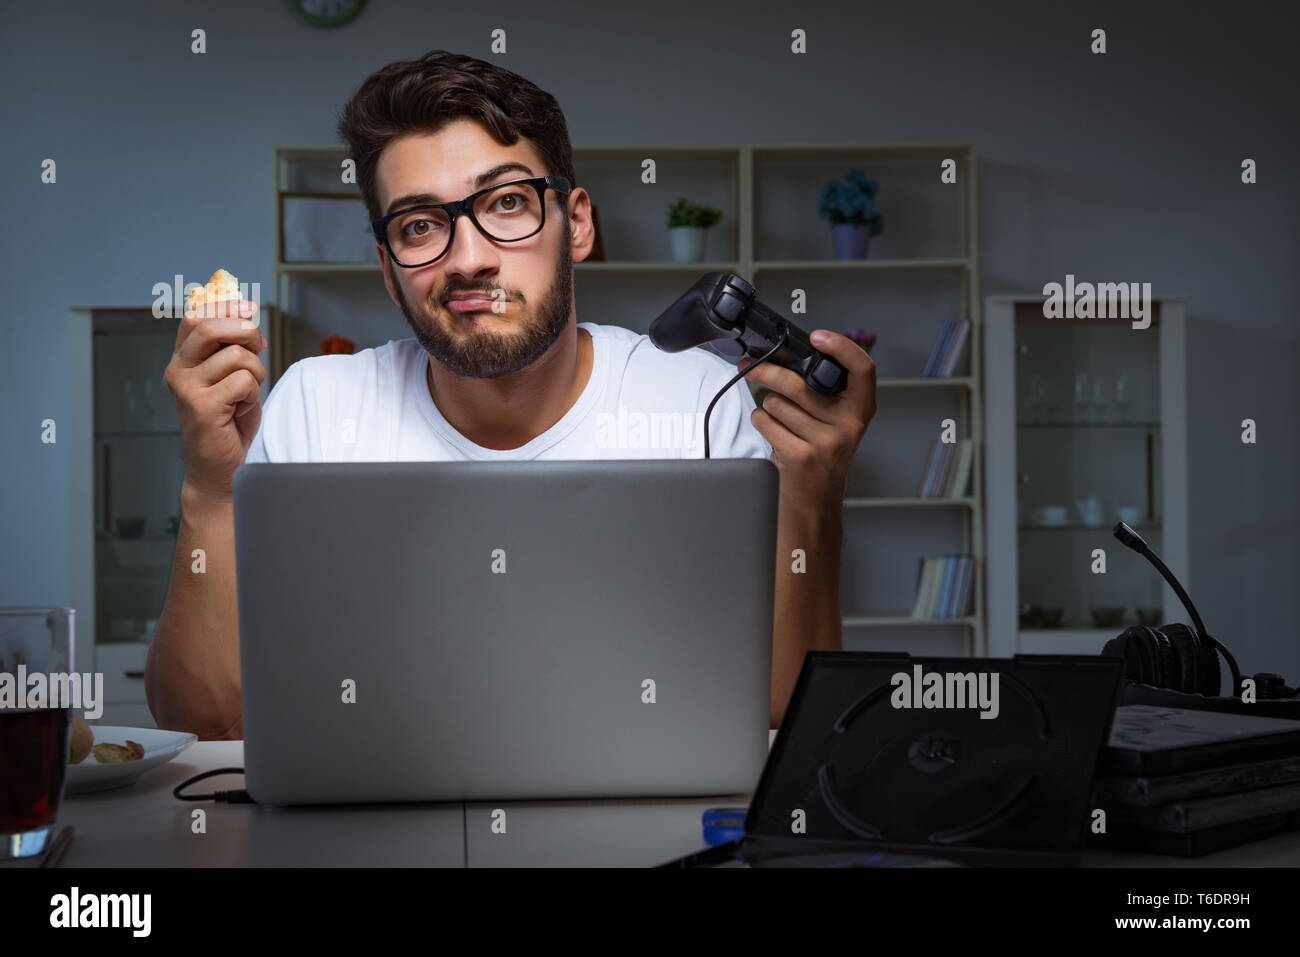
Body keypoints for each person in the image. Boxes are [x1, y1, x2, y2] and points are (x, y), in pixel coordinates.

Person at [147, 49, 876, 739]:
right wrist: (211, 491)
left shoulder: (697, 400)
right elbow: (209, 727)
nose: (468, 259)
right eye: (421, 224)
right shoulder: (316, 408)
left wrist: (814, 497)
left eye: (505, 203)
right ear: (387, 268)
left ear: (578, 223)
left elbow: (783, 721)